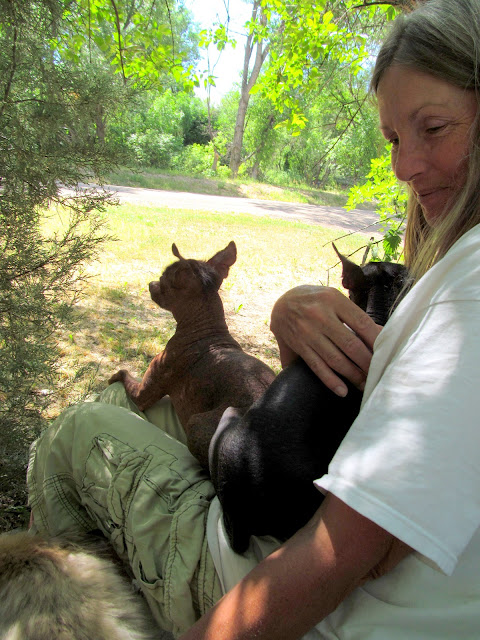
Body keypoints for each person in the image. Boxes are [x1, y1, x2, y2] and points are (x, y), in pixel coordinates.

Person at [26, 0, 480, 638]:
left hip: (267, 577)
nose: (404, 167)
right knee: (138, 409)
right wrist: (288, 316)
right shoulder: (453, 271)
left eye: (433, 127)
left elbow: (344, 555)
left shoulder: (472, 289)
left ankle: (67, 614)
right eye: (395, 140)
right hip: (293, 507)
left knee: (75, 432)